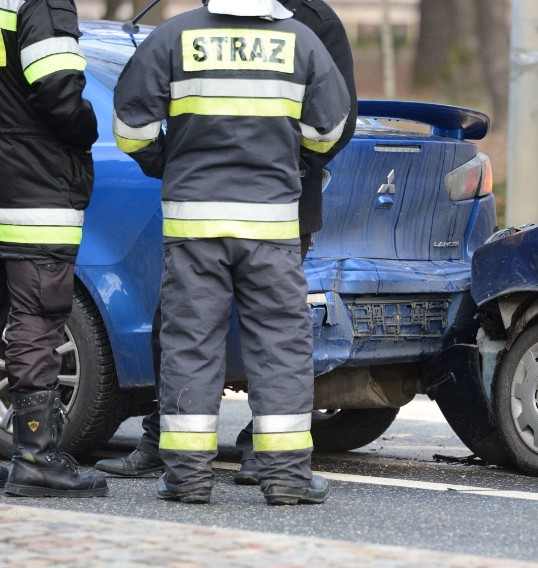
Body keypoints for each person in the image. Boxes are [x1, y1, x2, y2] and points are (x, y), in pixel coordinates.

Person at [95, 0, 358, 487]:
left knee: (190, 342)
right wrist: (284, 157)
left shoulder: (172, 37)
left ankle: (186, 477)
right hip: (271, 226)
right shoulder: (303, 40)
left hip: (194, 223)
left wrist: (171, 162)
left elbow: (132, 130)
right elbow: (330, 130)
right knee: (280, 345)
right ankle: (286, 478)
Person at [0, 0, 107, 497]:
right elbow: (59, 89)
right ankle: (36, 459)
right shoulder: (39, 3)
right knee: (38, 316)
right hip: (33, 182)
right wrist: (86, 128)